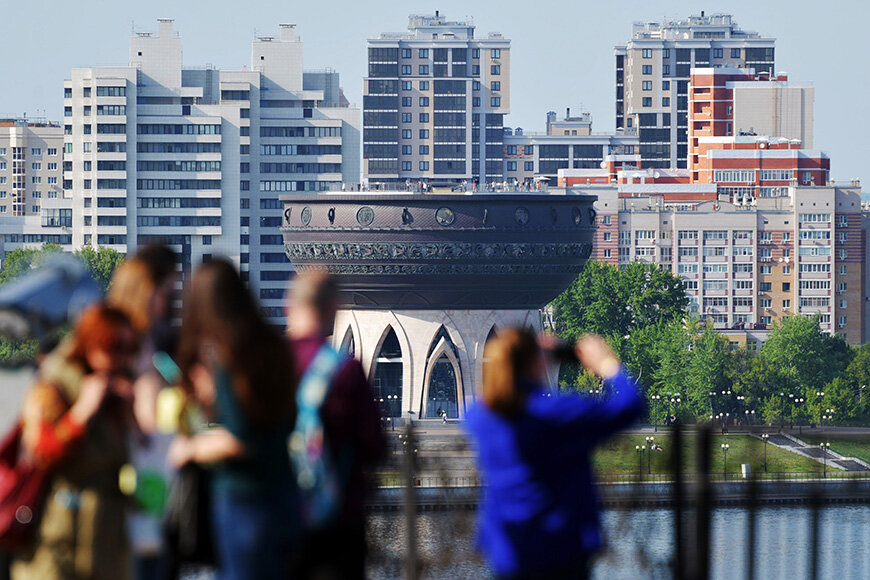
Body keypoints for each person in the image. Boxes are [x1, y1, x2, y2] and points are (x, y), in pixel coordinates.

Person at [465, 328, 645, 580]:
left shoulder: (479, 417)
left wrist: (533, 354)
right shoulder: (554, 412)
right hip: (560, 547)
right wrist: (605, 363)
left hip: (507, 549)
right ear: (534, 362)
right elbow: (630, 405)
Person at [168, 259, 297, 580]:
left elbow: (240, 439)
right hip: (284, 494)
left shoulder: (227, 355)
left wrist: (189, 449)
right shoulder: (273, 348)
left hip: (242, 500)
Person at [12, 305, 140, 580]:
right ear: (92, 341)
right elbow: (41, 452)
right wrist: (81, 414)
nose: (124, 357)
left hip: (105, 533)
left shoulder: (115, 387)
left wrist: (131, 413)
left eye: (131, 348)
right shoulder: (55, 382)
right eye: (116, 346)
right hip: (59, 530)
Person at [286, 269, 385, 580]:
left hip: (280, 516)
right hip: (339, 517)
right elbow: (376, 448)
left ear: (290, 305)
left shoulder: (269, 365)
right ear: (334, 307)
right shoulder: (345, 371)